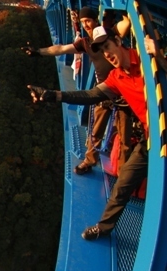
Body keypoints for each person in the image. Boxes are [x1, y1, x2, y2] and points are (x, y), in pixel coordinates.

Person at [27, 26, 164, 240]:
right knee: (123, 183)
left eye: (108, 46)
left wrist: (160, 56)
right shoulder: (116, 78)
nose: (107, 54)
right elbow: (90, 95)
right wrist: (52, 95)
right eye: (101, 51)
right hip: (152, 138)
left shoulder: (147, 58)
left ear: (119, 41)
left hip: (161, 132)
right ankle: (104, 227)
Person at [22, 7, 132, 174]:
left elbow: (125, 25)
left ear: (96, 20)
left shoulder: (109, 34)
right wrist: (39, 52)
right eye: (82, 22)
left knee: (125, 138)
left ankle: (123, 173)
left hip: (122, 92)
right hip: (104, 91)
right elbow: (61, 49)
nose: (86, 25)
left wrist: (126, 9)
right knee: (95, 132)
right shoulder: (86, 43)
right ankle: (89, 161)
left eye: (88, 20)